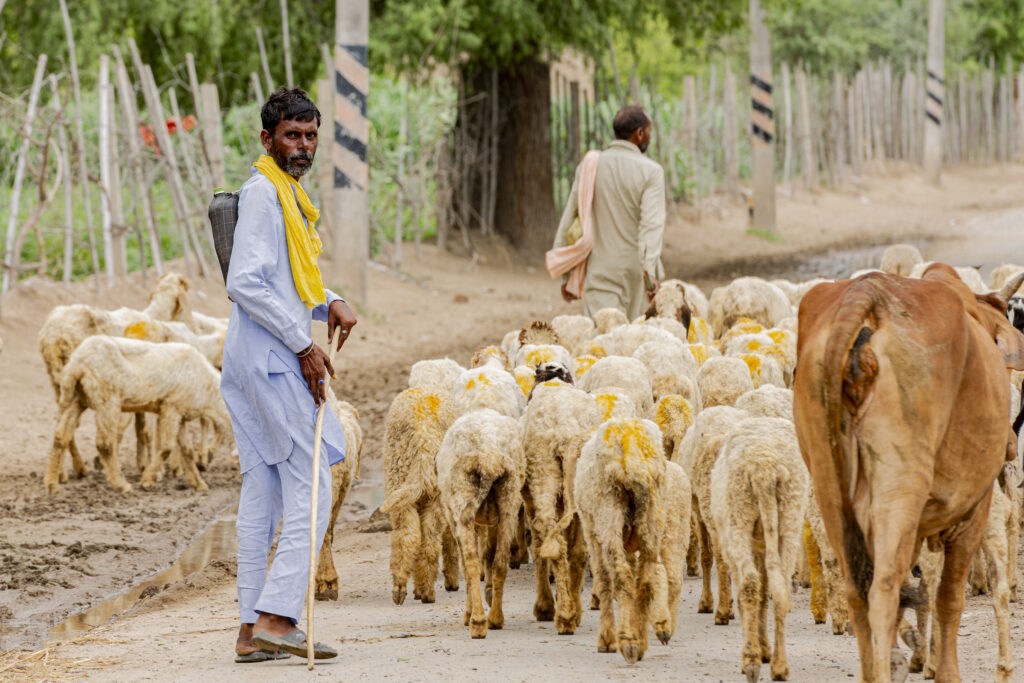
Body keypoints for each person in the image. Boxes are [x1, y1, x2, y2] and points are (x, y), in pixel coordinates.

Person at [221, 87, 357, 663]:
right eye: (291, 136)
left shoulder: (288, 197)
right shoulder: (263, 194)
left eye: (309, 136)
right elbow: (245, 282)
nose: (302, 146)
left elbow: (281, 279)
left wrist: (329, 302)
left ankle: (251, 631)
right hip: (273, 360)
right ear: (266, 139)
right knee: (312, 483)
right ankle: (279, 618)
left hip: (253, 357)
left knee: (266, 487)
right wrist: (305, 343)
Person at [552, 105, 666, 319]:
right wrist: (650, 276)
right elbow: (651, 227)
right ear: (639, 133)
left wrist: (566, 274)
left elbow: (570, 219)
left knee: (602, 345)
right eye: (649, 131)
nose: (650, 136)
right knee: (636, 343)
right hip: (636, 276)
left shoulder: (589, 166)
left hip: (600, 272)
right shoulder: (651, 172)